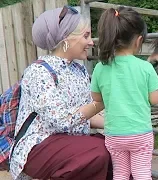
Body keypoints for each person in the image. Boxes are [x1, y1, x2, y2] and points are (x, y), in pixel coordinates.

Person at [9, 6, 113, 180]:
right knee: (96, 152)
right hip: (39, 147)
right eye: (86, 36)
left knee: (115, 148)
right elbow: (62, 121)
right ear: (66, 39)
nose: (91, 42)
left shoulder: (79, 71)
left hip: (72, 144)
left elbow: (85, 115)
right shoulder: (39, 72)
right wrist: (100, 102)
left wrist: (120, 125)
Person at [86, 6, 158, 180]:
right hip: (140, 134)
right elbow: (155, 99)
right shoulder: (145, 67)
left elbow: (96, 98)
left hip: (114, 134)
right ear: (138, 40)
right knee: (141, 173)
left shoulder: (100, 68)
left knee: (120, 173)